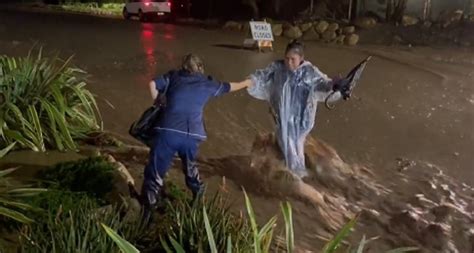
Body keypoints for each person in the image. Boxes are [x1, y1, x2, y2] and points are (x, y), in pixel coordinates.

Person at [142, 54, 248, 217]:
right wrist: (248, 82)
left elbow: (152, 84)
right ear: (200, 68)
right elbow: (230, 87)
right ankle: (198, 200)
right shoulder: (207, 83)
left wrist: (158, 102)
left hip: (168, 132)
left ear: (184, 67)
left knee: (155, 172)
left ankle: (148, 211)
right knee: (190, 167)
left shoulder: (173, 77)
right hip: (192, 136)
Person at [232, 40, 348, 177]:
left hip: (302, 120)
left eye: (293, 59)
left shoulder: (309, 72)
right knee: (289, 146)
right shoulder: (278, 68)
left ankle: (297, 176)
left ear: (301, 59)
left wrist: (336, 85)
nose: (289, 62)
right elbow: (262, 76)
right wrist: (249, 81)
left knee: (294, 145)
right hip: (282, 119)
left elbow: (324, 84)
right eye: (287, 58)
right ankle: (298, 174)